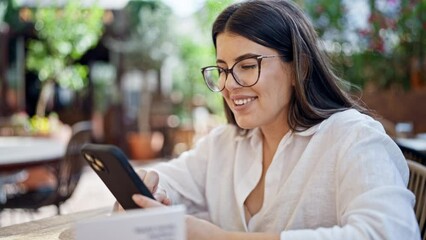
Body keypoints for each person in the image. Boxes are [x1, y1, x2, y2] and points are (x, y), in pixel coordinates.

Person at [123, 0, 421, 239]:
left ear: (299, 67)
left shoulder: (353, 138)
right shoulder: (224, 144)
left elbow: (391, 232)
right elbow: (171, 181)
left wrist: (222, 238)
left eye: (248, 65)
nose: (228, 84)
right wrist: (152, 193)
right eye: (223, 69)